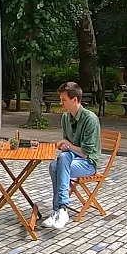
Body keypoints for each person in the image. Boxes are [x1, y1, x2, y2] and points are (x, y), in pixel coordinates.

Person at [43, 81, 102, 230]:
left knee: (58, 165)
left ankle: (60, 209)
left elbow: (85, 152)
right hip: (70, 159)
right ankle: (59, 211)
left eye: (63, 100)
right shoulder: (65, 117)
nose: (60, 103)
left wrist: (67, 145)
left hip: (88, 163)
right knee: (55, 164)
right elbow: (68, 148)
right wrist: (65, 147)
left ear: (75, 100)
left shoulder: (90, 119)